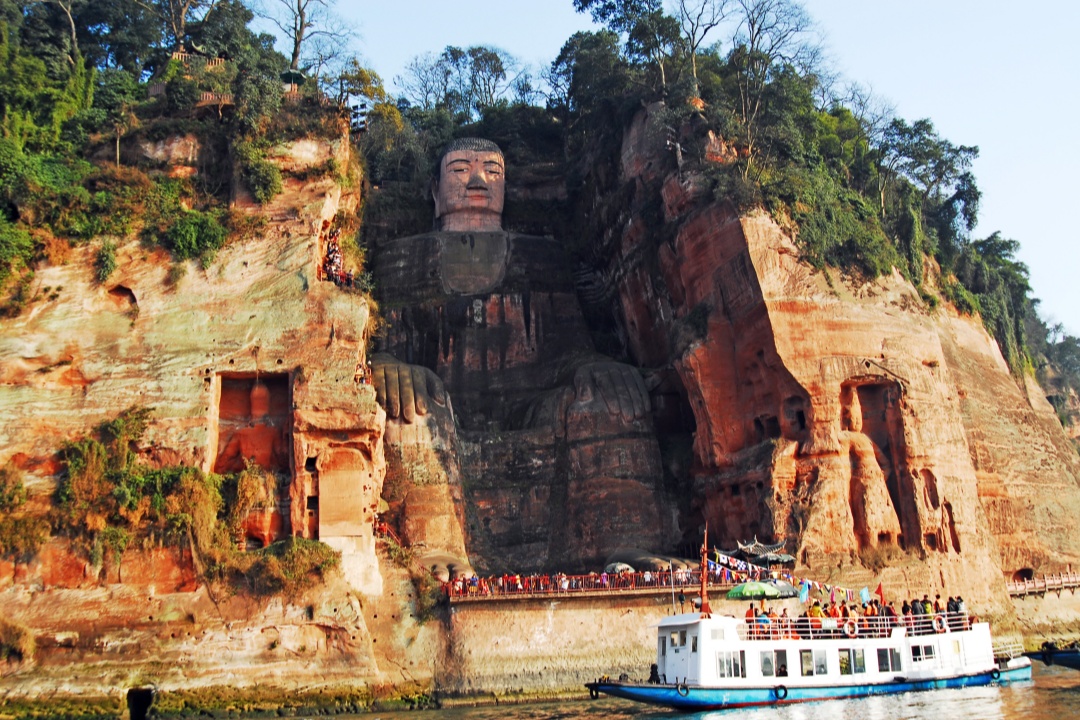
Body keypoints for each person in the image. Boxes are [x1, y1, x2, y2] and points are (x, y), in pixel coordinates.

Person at [371, 138, 665, 576]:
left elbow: (570, 351)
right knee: (408, 408)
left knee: (608, 400)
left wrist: (595, 366)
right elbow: (379, 343)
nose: (477, 181)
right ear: (435, 192)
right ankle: (435, 545)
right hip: (440, 400)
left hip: (532, 405)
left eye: (492, 171)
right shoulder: (401, 258)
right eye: (460, 170)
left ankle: (622, 542)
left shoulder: (542, 254)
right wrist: (386, 364)